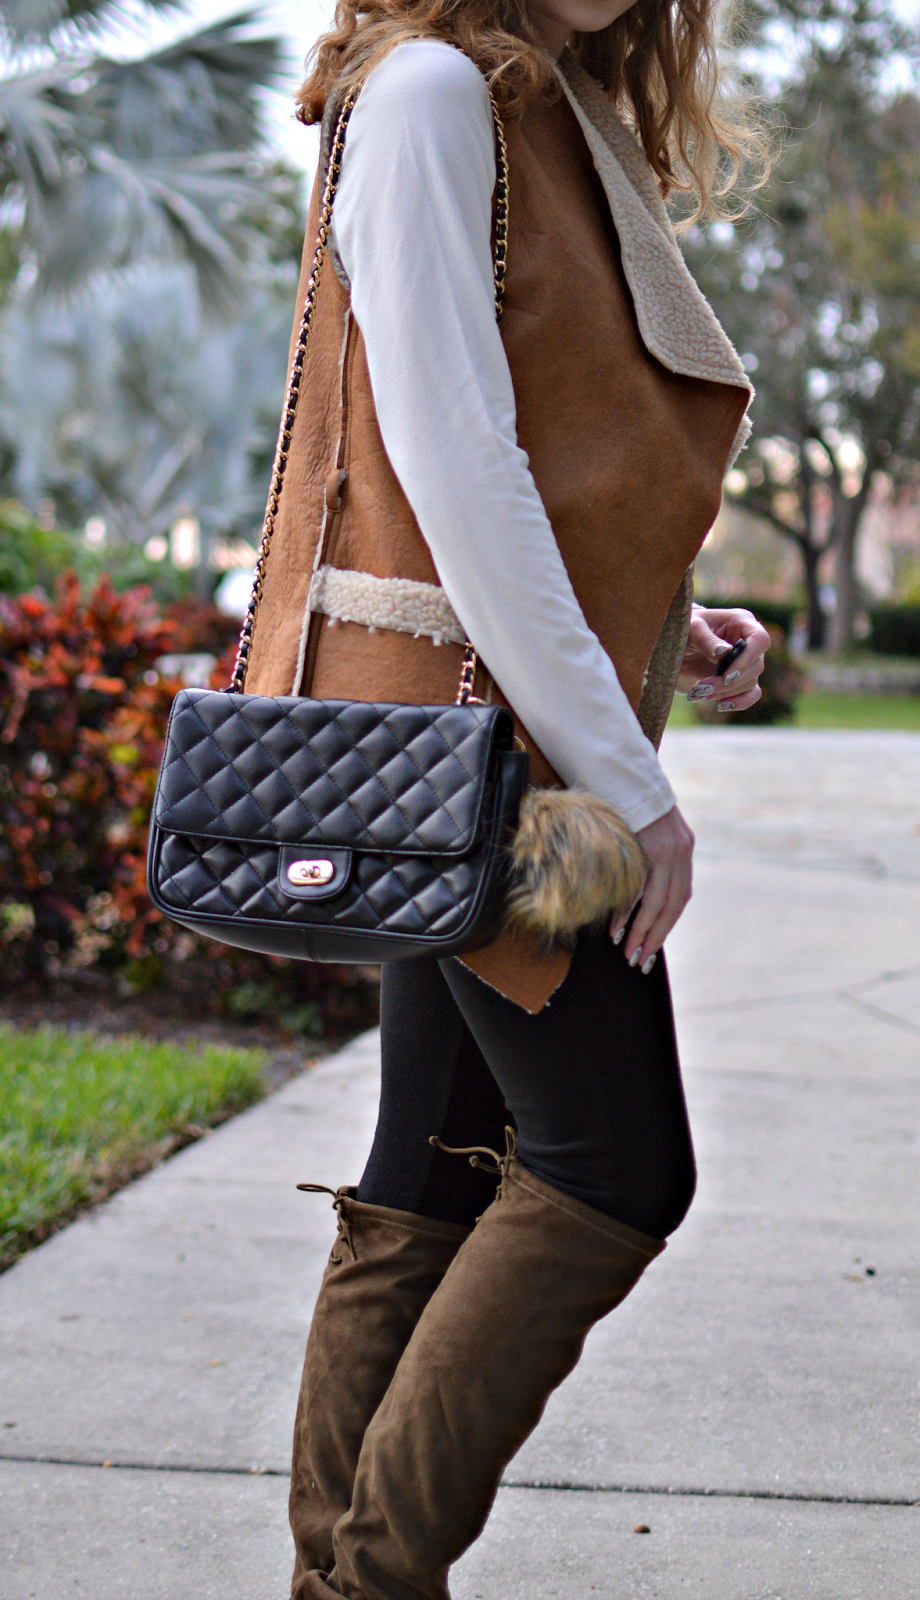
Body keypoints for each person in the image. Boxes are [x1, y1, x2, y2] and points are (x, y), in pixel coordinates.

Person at [242, 0, 772, 1594]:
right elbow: (450, 459)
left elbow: (519, 461)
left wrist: (662, 621)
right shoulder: (425, 93)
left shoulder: (535, 105)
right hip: (484, 762)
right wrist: (626, 779)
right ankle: (370, 1582)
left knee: (437, 1161)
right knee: (617, 1164)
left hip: (470, 742)